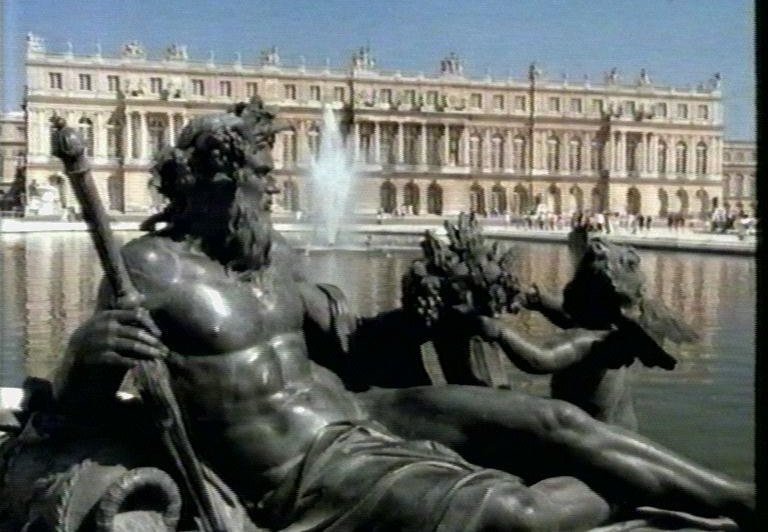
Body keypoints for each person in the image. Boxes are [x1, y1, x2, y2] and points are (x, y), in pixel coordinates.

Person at [54, 101, 754, 531]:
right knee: (516, 514)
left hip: (363, 411)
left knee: (557, 422)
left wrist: (418, 320)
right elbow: (78, 410)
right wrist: (88, 353)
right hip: (298, 467)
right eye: (262, 177)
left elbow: (352, 346)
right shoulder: (149, 268)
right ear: (219, 179)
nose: (274, 187)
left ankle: (738, 498)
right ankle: (632, 497)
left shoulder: (274, 256)